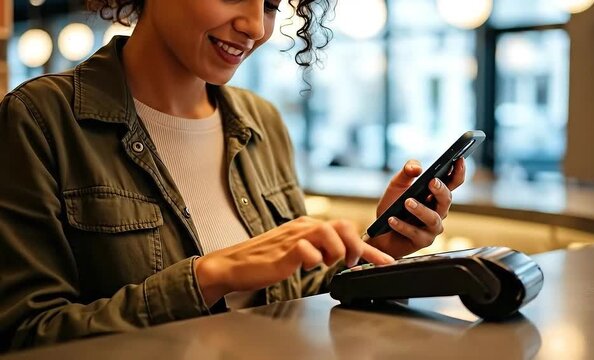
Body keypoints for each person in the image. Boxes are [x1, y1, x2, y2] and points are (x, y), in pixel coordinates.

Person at [0, 0, 466, 352]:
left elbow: (292, 297)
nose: (254, 26)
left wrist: (375, 253)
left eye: (269, 5)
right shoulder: (41, 119)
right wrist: (207, 277)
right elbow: (25, 334)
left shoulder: (261, 121)